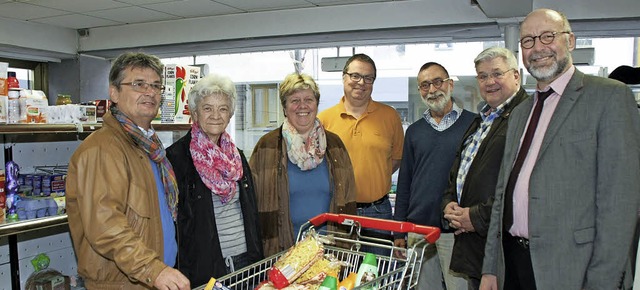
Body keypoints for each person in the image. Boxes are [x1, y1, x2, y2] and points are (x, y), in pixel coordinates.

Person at [480, 8, 640, 290]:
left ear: (571, 41)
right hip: (514, 266)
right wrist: (491, 268)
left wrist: (603, 282)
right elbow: (503, 193)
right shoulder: (521, 112)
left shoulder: (610, 97)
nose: (537, 47)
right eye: (528, 41)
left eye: (548, 36)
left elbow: (621, 204)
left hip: (573, 269)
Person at [66, 52, 190, 289]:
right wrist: (153, 269)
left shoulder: (148, 146)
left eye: (155, 85)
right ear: (114, 92)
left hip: (152, 278)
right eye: (138, 84)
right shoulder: (102, 149)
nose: (150, 92)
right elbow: (105, 225)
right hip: (125, 283)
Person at [441, 47, 528, 290]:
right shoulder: (482, 119)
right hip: (474, 245)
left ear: (516, 76)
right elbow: (458, 169)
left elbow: (521, 186)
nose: (490, 82)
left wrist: (476, 217)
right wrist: (449, 204)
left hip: (504, 251)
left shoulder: (526, 117)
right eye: (482, 76)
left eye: (497, 73)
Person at [166, 74, 263, 286]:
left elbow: (251, 213)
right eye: (207, 108)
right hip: (204, 268)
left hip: (246, 263)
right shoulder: (176, 158)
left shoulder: (237, 157)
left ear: (230, 115)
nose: (215, 115)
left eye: (223, 109)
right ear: (195, 113)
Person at [250, 73, 357, 257]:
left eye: (309, 99)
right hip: (281, 251)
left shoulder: (335, 144)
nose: (302, 106)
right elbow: (252, 201)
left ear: (316, 105)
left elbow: (349, 197)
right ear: (284, 107)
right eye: (294, 100)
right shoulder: (266, 146)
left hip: (329, 251)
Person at [392, 62, 474, 290]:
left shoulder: (473, 124)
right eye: (424, 85)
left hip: (456, 230)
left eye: (437, 82)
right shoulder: (415, 131)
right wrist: (400, 228)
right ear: (419, 91)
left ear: (449, 84)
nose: (432, 89)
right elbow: (405, 181)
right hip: (418, 231)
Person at [318, 54, 404, 256]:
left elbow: (397, 158)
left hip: (378, 212)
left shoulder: (389, 116)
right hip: (337, 211)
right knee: (338, 273)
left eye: (368, 78)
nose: (361, 83)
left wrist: (374, 176)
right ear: (344, 77)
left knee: (376, 275)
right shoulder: (324, 120)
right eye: (355, 76)